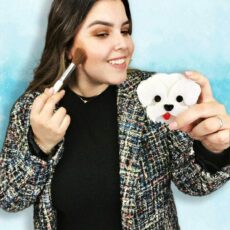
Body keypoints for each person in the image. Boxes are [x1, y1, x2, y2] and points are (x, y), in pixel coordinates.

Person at [0, 0, 230, 229]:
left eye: (125, 30)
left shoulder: (154, 95)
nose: (123, 44)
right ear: (68, 46)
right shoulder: (31, 109)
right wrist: (39, 147)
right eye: (102, 34)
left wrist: (214, 149)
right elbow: (10, 199)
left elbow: (195, 184)